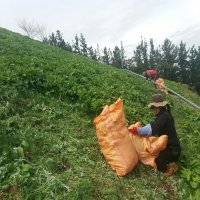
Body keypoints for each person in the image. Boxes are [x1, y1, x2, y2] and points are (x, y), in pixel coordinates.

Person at [130, 94, 181, 176]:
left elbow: (152, 129)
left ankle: (171, 166)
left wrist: (137, 130)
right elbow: (153, 125)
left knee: (157, 161)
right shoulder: (164, 114)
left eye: (153, 108)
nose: (153, 110)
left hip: (173, 150)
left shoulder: (164, 117)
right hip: (169, 147)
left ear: (157, 107)